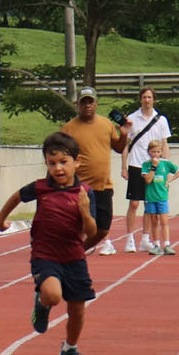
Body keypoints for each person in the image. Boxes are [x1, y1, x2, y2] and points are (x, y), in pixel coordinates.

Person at [0, 130, 99, 355]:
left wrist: (84, 211)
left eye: (63, 162)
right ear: (46, 165)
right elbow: (17, 197)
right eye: (52, 164)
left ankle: (70, 349)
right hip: (45, 254)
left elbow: (91, 231)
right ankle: (42, 304)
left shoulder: (85, 192)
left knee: (77, 310)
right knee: (53, 295)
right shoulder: (41, 188)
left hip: (73, 256)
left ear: (77, 162)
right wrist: (0, 220)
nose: (58, 168)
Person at [60, 87, 128, 255]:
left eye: (91, 102)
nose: (88, 105)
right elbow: (61, 157)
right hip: (80, 187)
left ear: (96, 103)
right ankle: (74, 254)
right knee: (81, 225)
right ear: (78, 104)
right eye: (84, 102)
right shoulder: (69, 129)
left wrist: (125, 135)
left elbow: (119, 148)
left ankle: (78, 252)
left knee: (103, 229)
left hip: (103, 186)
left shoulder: (106, 124)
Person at [120, 86, 171, 253]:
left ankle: (145, 238)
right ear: (140, 99)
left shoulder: (161, 120)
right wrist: (124, 167)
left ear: (154, 99)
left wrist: (166, 166)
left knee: (150, 204)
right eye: (144, 97)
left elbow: (164, 144)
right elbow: (125, 145)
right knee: (134, 203)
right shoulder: (132, 119)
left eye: (150, 97)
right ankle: (129, 239)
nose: (147, 100)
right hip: (136, 164)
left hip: (154, 166)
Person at [140, 140, 179, 256]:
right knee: (154, 221)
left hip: (162, 196)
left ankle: (167, 244)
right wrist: (153, 166)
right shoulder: (146, 165)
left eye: (158, 151)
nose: (155, 154)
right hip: (150, 197)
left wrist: (170, 180)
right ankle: (157, 245)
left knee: (164, 221)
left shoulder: (166, 163)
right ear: (149, 152)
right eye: (153, 152)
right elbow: (148, 180)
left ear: (161, 152)